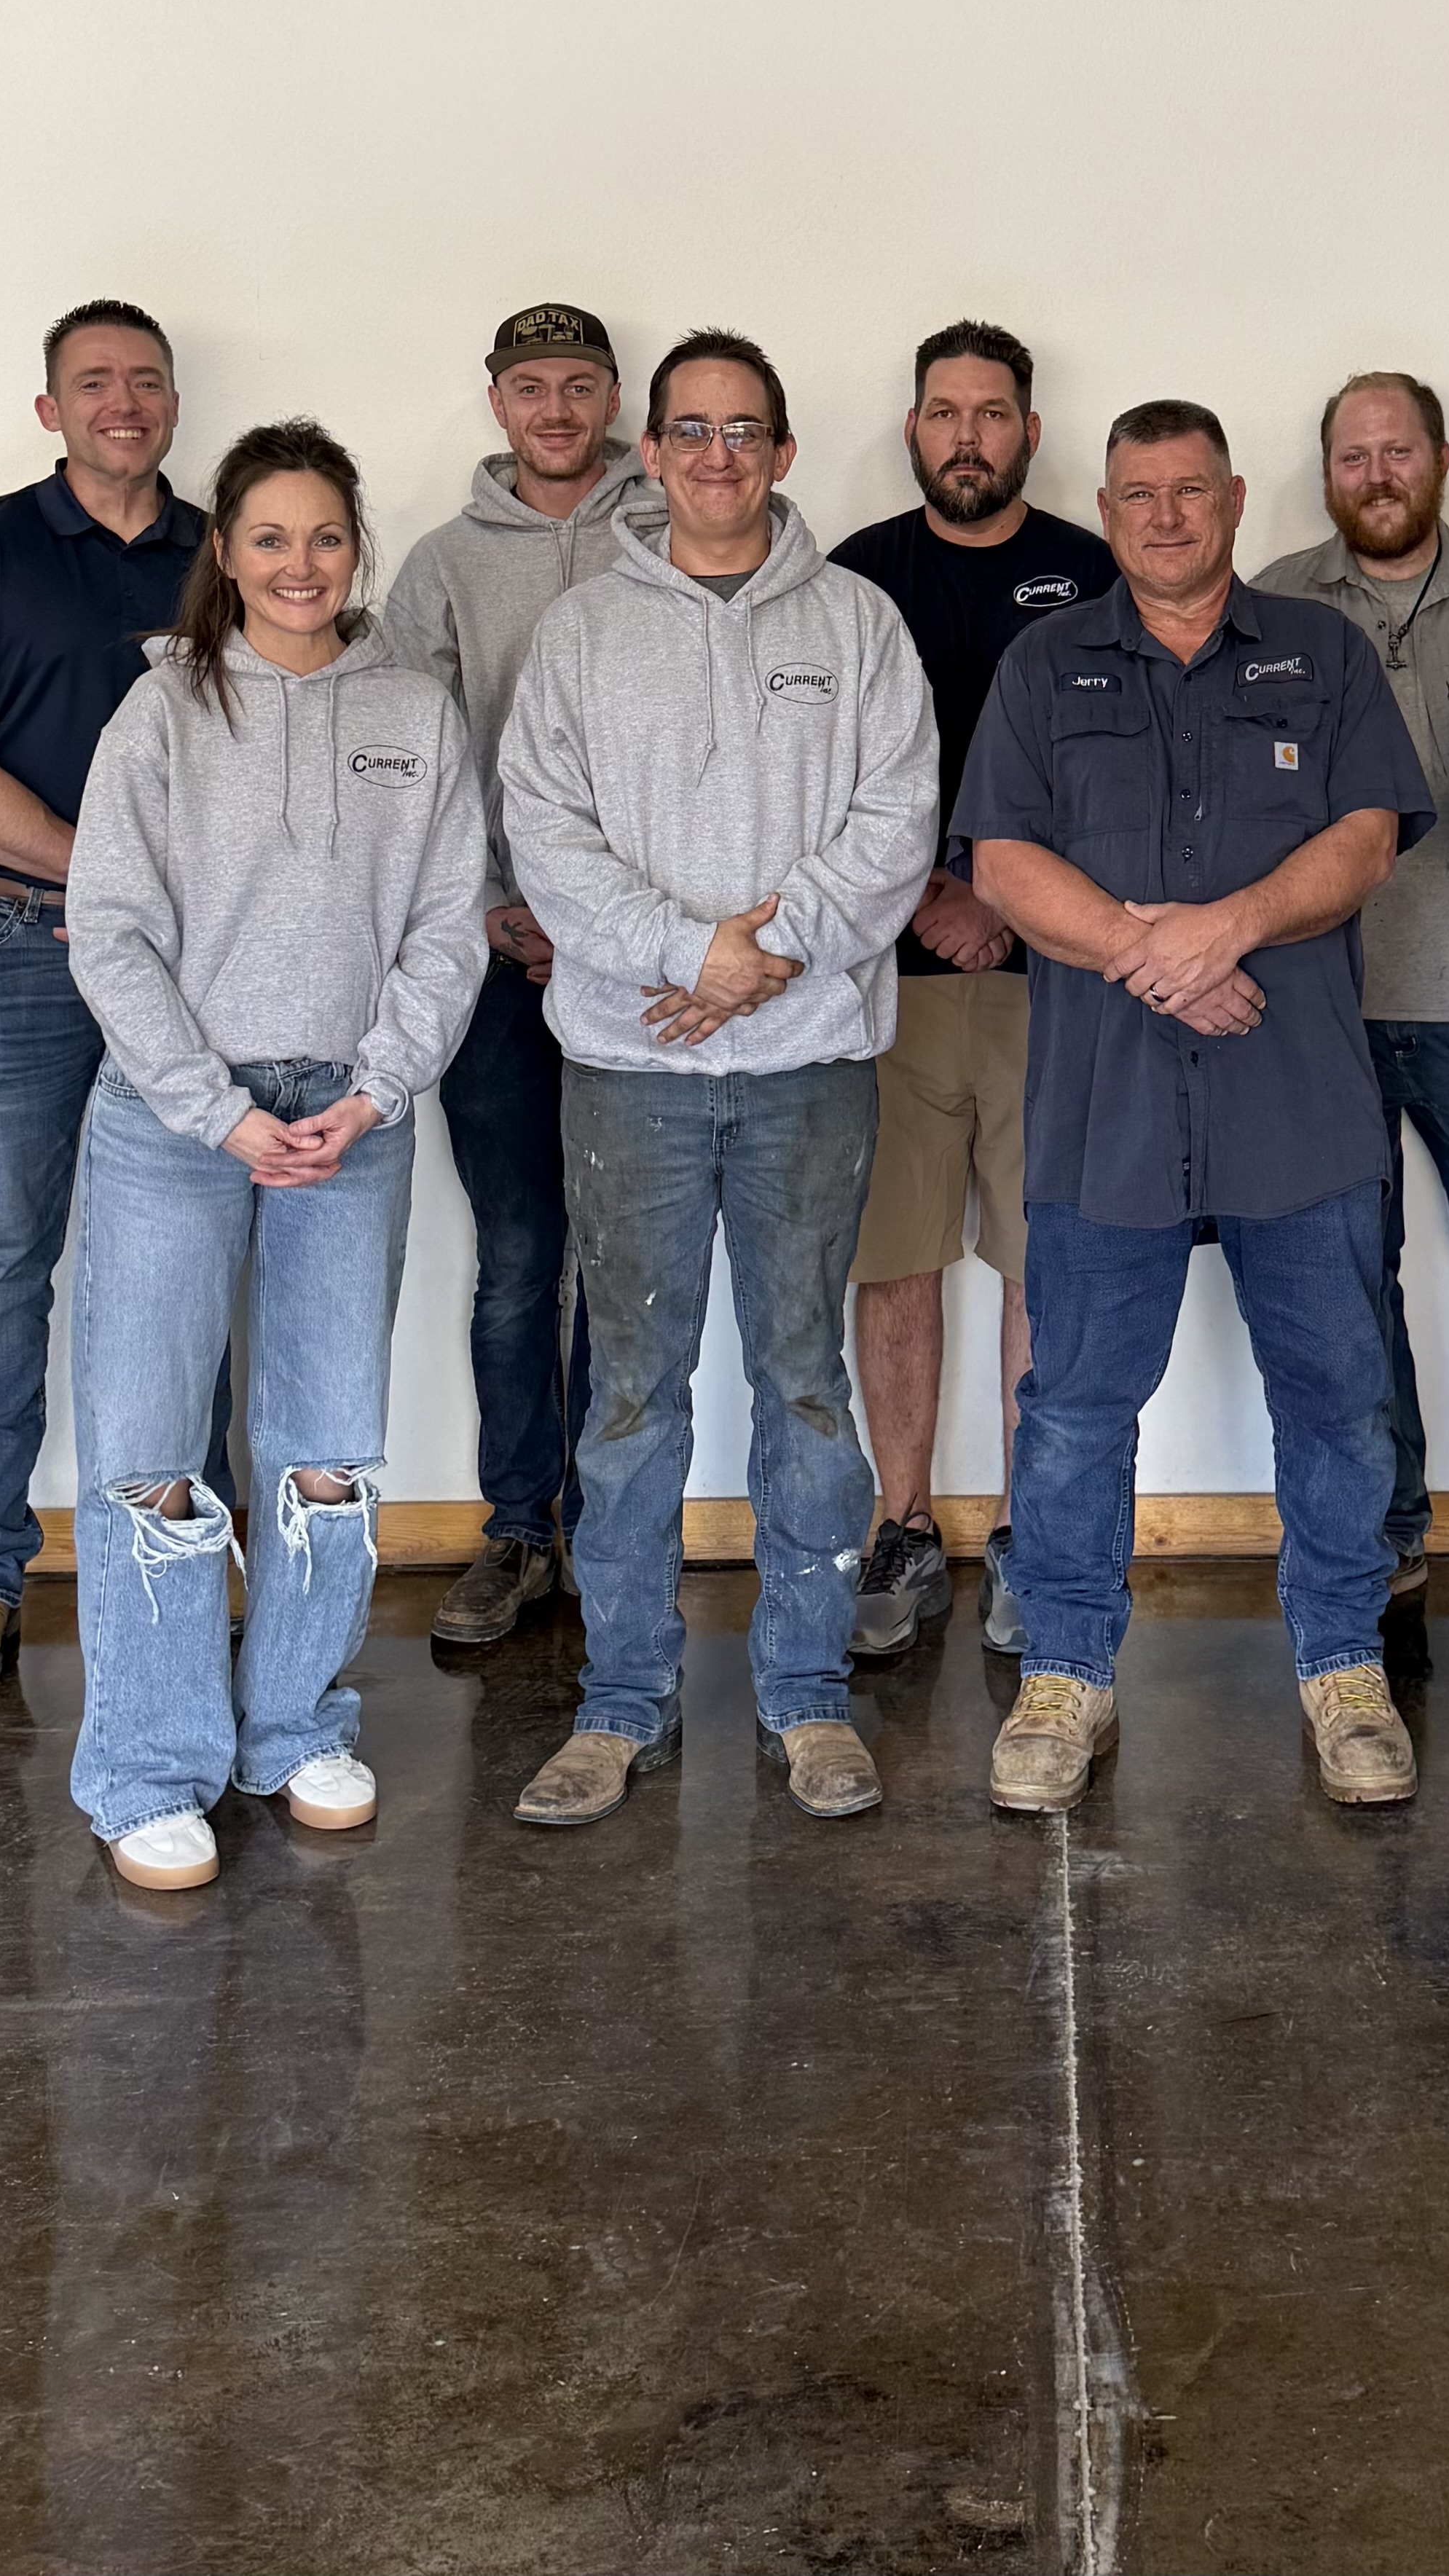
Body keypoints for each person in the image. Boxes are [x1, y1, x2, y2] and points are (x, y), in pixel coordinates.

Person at [953, 398, 1434, 1813]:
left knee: (1340, 1397)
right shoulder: (1046, 665)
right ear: (1105, 511)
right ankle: (1067, 1676)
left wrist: (1226, 925)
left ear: (1231, 499)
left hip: (1300, 1097)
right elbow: (999, 860)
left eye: (1190, 490)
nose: (1166, 515)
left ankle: (1345, 1669)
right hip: (1103, 1107)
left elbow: (1364, 840)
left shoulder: (1323, 651)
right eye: (1138, 494)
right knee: (1076, 1408)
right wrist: (1149, 954)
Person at [499, 328, 938, 1826]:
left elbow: (896, 821)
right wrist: (692, 953)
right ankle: (624, 1701)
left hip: (809, 1066)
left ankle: (808, 1694)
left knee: (805, 1381)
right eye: (688, 431)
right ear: (651, 452)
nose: (715, 457)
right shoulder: (577, 636)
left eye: (744, 431)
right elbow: (546, 836)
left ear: (786, 451)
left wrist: (767, 958)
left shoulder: (864, 623)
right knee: (630, 1394)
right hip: (631, 1072)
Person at [63, 418, 487, 1890]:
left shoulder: (416, 713)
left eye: (322, 536)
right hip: (179, 1122)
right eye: (267, 538)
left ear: (352, 545)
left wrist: (373, 1088)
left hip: (349, 1120)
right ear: (225, 553)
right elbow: (108, 929)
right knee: (148, 1451)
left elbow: (447, 923)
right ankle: (149, 1764)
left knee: (322, 1448)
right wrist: (212, 1106)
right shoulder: (165, 711)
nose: (297, 564)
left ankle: (296, 1724)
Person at [0, 300, 230, 1700]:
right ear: (52, 411)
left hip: (195, 966)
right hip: (14, 945)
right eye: (94, 383)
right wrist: (111, 880)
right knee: (3, 1257)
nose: (124, 402)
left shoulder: (230, 550)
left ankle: (184, 1561)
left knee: (189, 1261)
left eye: (147, 381)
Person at [828, 320, 1116, 1660]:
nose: (966, 436)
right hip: (878, 986)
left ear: (1030, 433)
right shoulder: (852, 579)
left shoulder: (1094, 574)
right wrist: (926, 899)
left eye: (992, 414)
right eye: (943, 412)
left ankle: (1025, 1531)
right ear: (913, 429)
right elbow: (811, 789)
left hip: (1049, 986)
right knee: (894, 1262)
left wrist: (1004, 899)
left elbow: (1120, 779)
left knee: (1034, 1263)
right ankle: (900, 1524)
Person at [1250, 373, 1449, 1603]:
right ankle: (1382, 1527)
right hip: (1319, 1009)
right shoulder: (1270, 599)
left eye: (1398, 451)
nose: (1376, 473)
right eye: (1353, 455)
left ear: (1438, 457)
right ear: (1326, 471)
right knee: (1342, 1289)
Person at [388, 304, 643, 1644]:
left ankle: (610, 1524)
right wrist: (493, 907)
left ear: (615, 399)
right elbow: (410, 763)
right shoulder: (438, 564)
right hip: (492, 967)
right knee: (517, 1258)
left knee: (620, 1256)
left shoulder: (679, 534)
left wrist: (621, 923)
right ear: (497, 404)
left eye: (581, 386)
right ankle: (514, 1528)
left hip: (641, 970)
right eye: (531, 388)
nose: (556, 410)